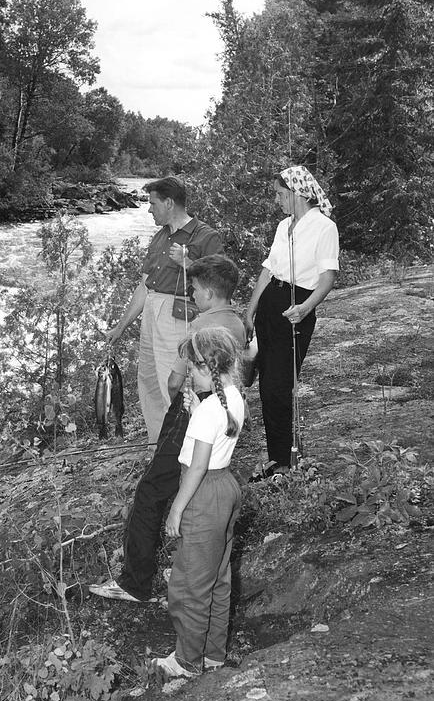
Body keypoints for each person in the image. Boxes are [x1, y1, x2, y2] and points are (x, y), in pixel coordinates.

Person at [90, 255, 245, 603]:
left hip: (191, 411)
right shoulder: (238, 322)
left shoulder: (201, 329)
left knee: (149, 492)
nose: (190, 294)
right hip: (216, 405)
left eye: (193, 288)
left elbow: (177, 378)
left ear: (207, 292)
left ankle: (136, 583)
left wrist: (179, 405)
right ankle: (181, 559)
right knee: (188, 480)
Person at [152, 326, 244, 679]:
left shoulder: (208, 411)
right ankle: (213, 654)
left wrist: (177, 508)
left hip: (202, 492)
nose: (188, 373)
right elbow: (218, 437)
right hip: (226, 488)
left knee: (189, 583)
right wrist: (197, 411)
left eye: (192, 367)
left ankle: (187, 661)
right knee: (218, 577)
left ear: (207, 367)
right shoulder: (232, 397)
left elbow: (199, 463)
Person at [107, 177, 222, 447]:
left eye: (153, 203)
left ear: (169, 203)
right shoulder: (160, 237)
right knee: (148, 381)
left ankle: (189, 444)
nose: (149, 210)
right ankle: (159, 445)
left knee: (173, 382)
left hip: (178, 315)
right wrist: (120, 327)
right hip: (151, 311)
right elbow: (144, 286)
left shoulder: (206, 236)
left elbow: (219, 285)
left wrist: (188, 262)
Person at [244, 166, 339, 476]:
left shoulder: (324, 227)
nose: (278, 200)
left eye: (281, 194)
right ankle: (279, 459)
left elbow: (328, 277)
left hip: (295, 309)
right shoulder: (284, 225)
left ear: (299, 193)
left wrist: (306, 307)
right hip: (271, 303)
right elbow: (268, 270)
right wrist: (250, 310)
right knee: (265, 387)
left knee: (278, 387)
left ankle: (285, 464)